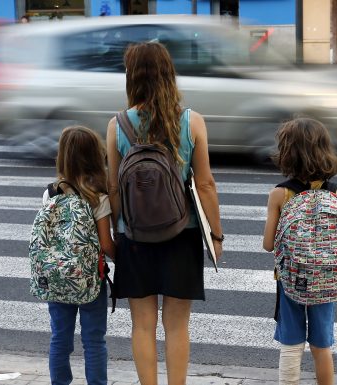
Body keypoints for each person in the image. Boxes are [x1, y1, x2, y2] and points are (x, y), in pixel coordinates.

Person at [106, 42, 223, 385]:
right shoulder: (191, 122)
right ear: (169, 75)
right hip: (181, 233)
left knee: (142, 324)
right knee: (177, 325)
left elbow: (113, 188)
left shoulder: (117, 126)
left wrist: (118, 232)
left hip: (135, 236)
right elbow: (205, 186)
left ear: (132, 78)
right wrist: (215, 236)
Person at [262, 118, 337, 385]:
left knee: (291, 342)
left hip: (290, 279)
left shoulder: (280, 194)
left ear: (287, 153)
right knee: (322, 345)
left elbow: (268, 244)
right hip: (326, 278)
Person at [43, 126, 115, 385]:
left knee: (60, 337)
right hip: (90, 280)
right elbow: (106, 244)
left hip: (58, 277)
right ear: (95, 156)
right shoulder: (98, 196)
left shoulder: (51, 193)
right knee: (94, 340)